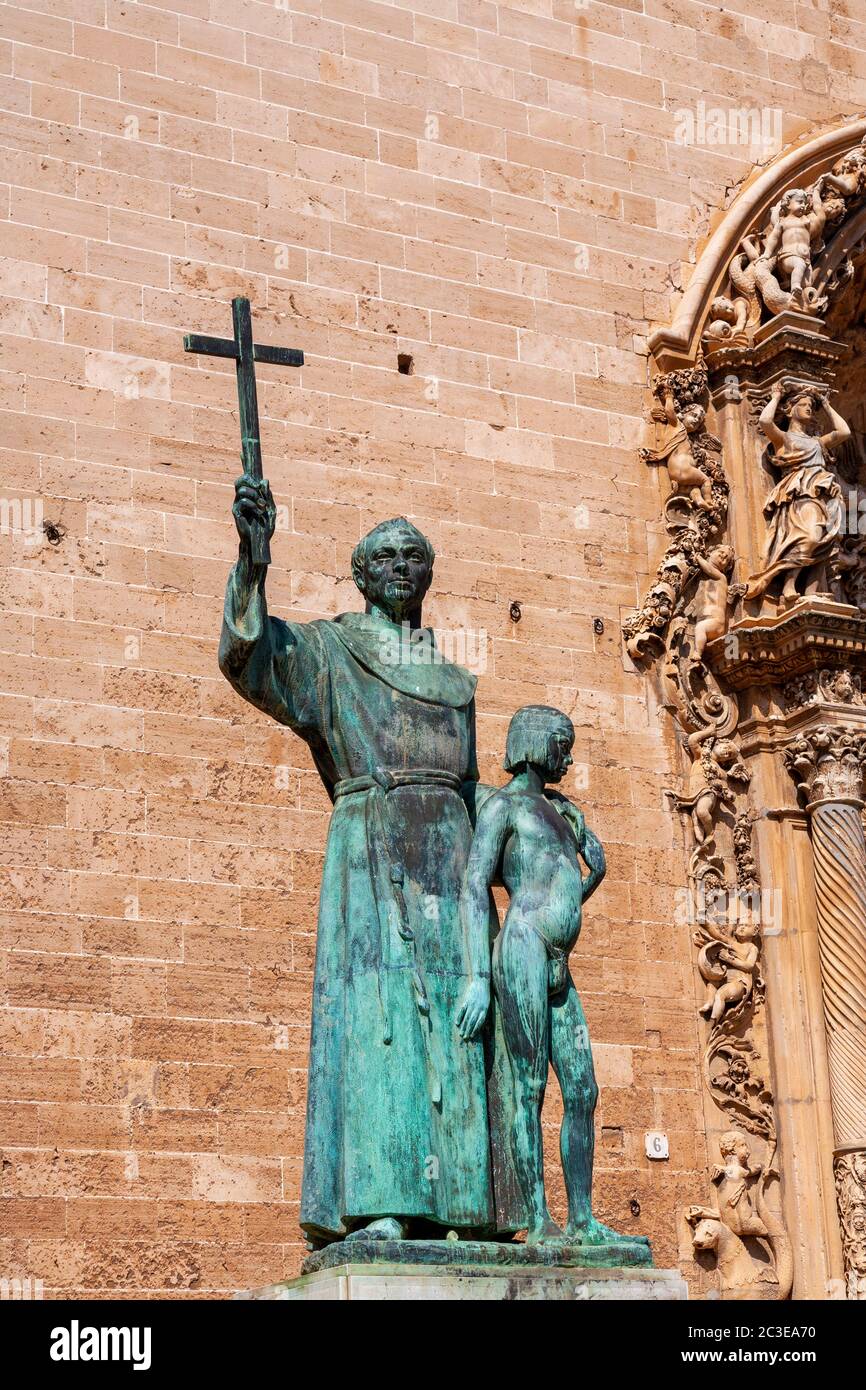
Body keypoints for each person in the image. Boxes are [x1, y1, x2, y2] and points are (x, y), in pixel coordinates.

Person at [219, 475, 493, 1246]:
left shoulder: (454, 677)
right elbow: (253, 658)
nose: (403, 566)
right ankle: (380, 1198)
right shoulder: (333, 649)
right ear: (363, 573)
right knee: (379, 1022)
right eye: (387, 556)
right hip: (372, 845)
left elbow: (473, 786)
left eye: (415, 556)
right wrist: (253, 560)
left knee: (461, 1025)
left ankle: (465, 1208)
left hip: (450, 852)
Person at [459, 705, 639, 1247]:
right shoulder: (503, 807)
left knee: (583, 1088)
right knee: (530, 1085)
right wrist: (477, 977)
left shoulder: (562, 812)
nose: (569, 754)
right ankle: (538, 1217)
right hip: (522, 949)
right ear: (536, 744)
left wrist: (595, 874)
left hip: (559, 958)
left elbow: (566, 891)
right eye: (562, 743)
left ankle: (581, 1218)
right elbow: (473, 885)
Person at [745, 382, 849, 603]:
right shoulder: (785, 439)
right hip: (801, 494)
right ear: (791, 409)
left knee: (826, 540)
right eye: (804, 405)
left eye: (811, 405)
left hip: (825, 494)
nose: (809, 408)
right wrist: (775, 397)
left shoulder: (818, 442)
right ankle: (789, 583)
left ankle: (811, 589)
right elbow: (765, 422)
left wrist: (826, 403)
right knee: (809, 537)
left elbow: (844, 431)